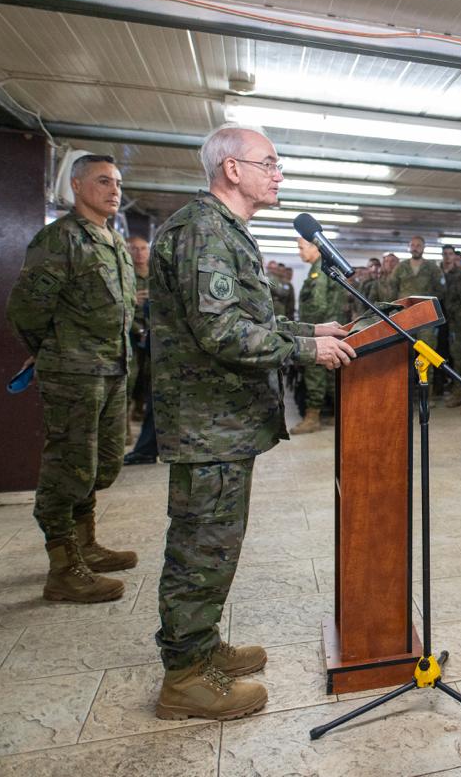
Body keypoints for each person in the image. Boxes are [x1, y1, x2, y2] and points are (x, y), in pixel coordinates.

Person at [150, 125, 356, 720]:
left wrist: (308, 331)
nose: (278, 173)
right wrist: (305, 353)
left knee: (214, 543)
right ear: (231, 169)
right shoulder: (204, 232)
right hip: (206, 422)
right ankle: (183, 677)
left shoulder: (223, 230)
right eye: (269, 163)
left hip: (221, 421)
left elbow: (246, 318)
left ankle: (201, 645)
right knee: (201, 548)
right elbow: (220, 333)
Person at [8, 153, 138, 604]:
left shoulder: (114, 242)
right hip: (74, 373)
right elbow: (26, 310)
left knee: (102, 463)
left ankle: (85, 544)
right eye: (103, 181)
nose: (114, 189)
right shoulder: (60, 239)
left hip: (112, 369)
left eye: (118, 182)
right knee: (68, 466)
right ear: (78, 186)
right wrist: (53, 352)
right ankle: (62, 567)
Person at [291, 236, 344, 434]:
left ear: (315, 248)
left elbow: (318, 304)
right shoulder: (323, 267)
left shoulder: (319, 270)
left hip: (321, 333)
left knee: (314, 374)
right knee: (332, 376)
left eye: (301, 247)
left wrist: (309, 330)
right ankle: (340, 414)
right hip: (331, 332)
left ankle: (312, 418)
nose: (300, 252)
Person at [385, 236, 444, 360]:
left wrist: (430, 304)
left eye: (418, 246)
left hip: (426, 316)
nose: (415, 248)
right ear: (409, 247)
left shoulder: (432, 267)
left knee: (427, 353)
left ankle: (427, 380)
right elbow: (392, 289)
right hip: (404, 315)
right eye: (412, 245)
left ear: (423, 248)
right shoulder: (401, 267)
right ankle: (407, 380)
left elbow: (441, 290)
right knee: (403, 353)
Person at [441, 244, 461, 407]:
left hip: (457, 323)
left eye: (450, 254)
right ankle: (443, 389)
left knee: (458, 357)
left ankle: (459, 392)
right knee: (442, 354)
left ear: (454, 256)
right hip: (439, 320)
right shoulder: (437, 272)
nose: (447, 257)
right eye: (445, 254)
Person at [126, 235, 152, 423]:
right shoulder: (124, 274)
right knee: (129, 378)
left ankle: (141, 410)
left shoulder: (156, 275)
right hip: (129, 333)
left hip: (152, 333)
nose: (139, 253)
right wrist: (131, 298)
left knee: (148, 377)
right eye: (134, 248)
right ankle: (124, 423)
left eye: (143, 248)